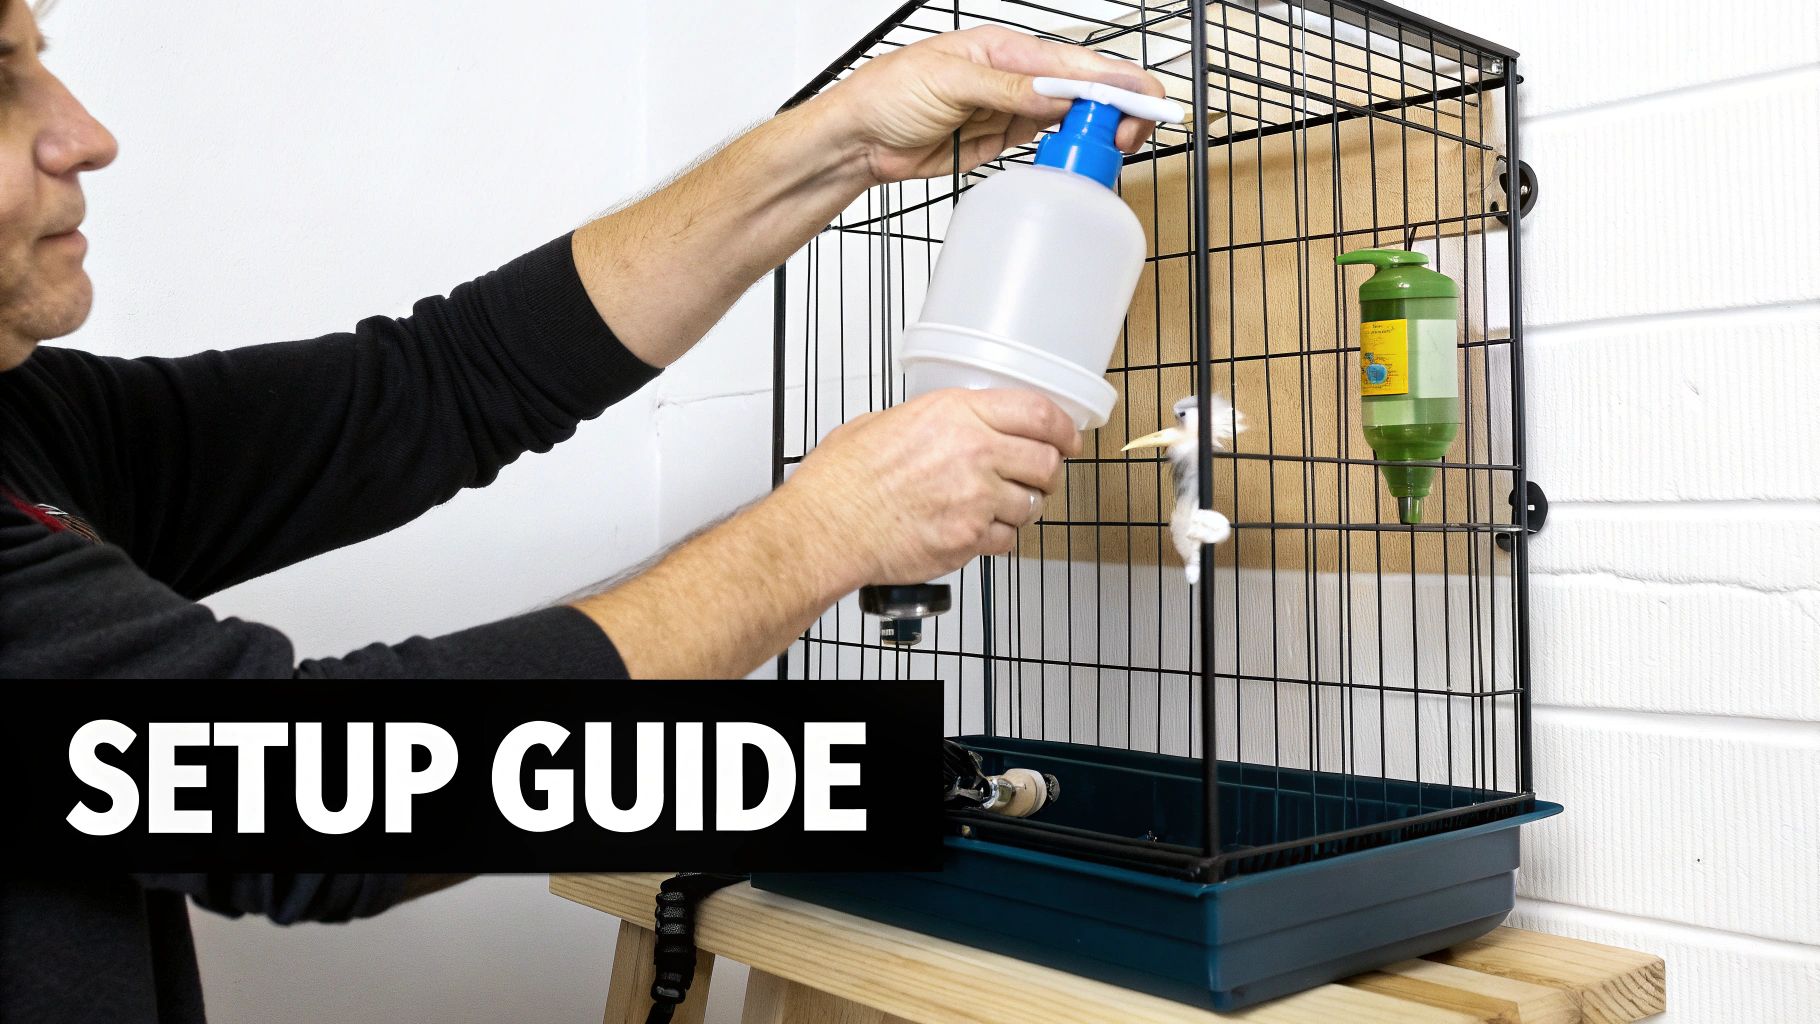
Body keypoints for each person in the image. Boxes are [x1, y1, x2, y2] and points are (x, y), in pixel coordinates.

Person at [0, 0, 1166, 1019]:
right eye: (4, 81)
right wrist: (828, 528)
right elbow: (305, 798)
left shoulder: (25, 420)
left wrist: (842, 140)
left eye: (41, 56)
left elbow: (441, 384)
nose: (85, 134)